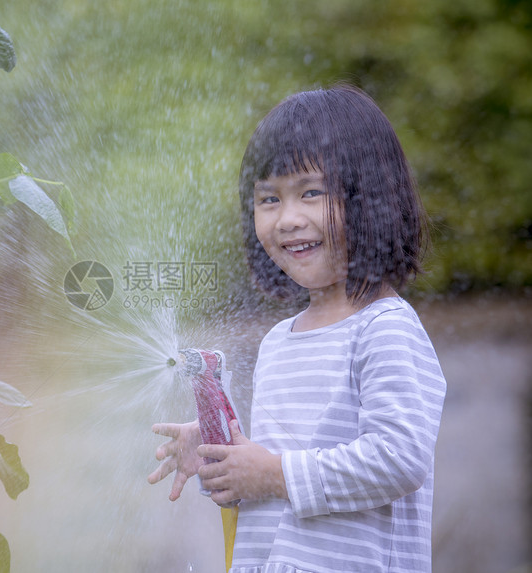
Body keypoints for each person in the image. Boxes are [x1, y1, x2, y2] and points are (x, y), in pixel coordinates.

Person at [148, 85, 446, 573]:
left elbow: (399, 459)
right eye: (268, 199)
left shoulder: (384, 330)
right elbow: (268, 485)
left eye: (311, 192)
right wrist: (223, 460)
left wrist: (275, 475)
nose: (288, 219)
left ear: (371, 199)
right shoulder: (278, 343)